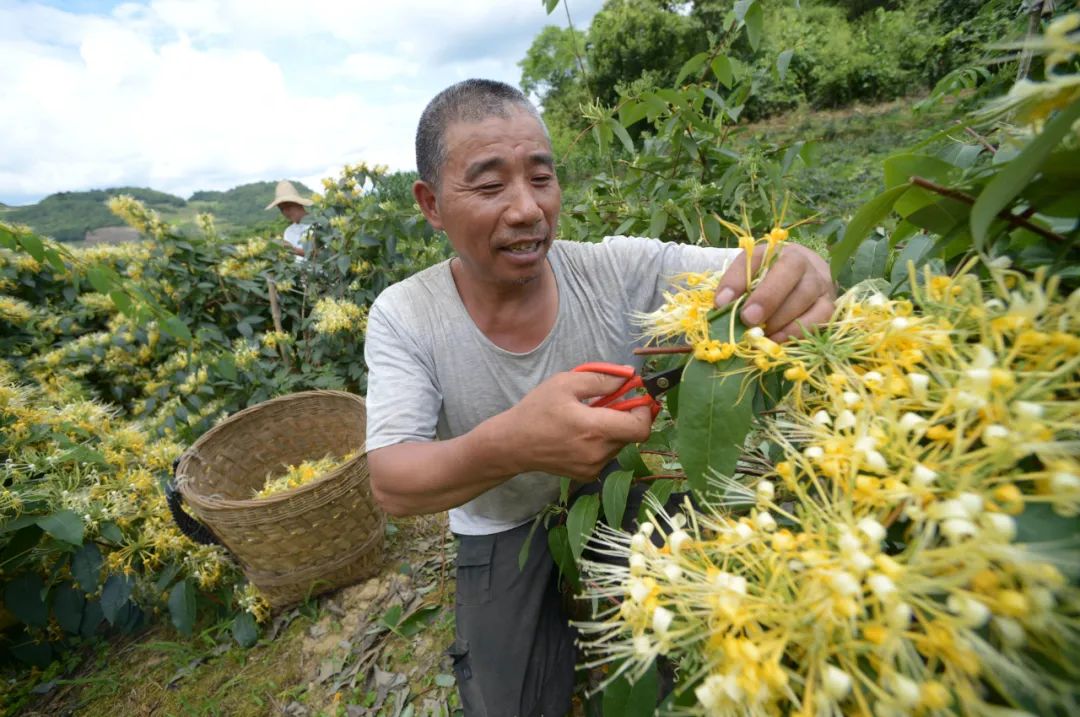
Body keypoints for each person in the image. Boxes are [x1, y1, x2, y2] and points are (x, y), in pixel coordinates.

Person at [363, 79, 835, 717]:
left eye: (541, 177)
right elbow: (393, 482)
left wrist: (796, 267)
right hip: (500, 522)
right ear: (432, 203)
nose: (528, 208)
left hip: (622, 486)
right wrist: (514, 443)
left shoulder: (615, 269)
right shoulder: (406, 315)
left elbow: (751, 267)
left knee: (685, 642)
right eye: (489, 183)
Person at [266, 179, 313, 259]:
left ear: (299, 204)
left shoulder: (317, 224)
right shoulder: (289, 232)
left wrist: (293, 250)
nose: (285, 212)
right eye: (282, 209)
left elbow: (321, 254)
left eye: (288, 206)